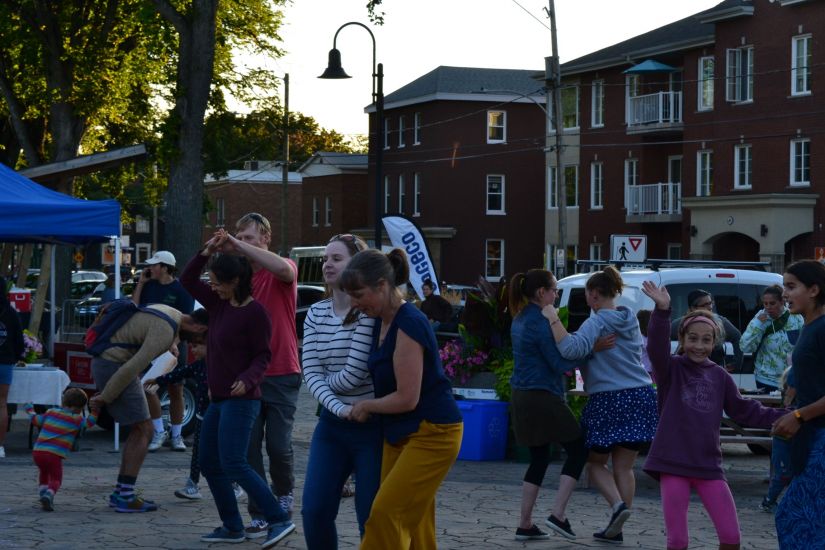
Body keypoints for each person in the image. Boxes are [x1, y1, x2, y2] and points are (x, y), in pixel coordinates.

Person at [640, 280, 787, 550]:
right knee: (678, 541)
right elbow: (655, 350)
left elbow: (745, 410)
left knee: (731, 538)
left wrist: (788, 414)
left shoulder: (719, 375)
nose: (699, 345)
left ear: (715, 342)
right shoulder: (670, 370)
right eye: (692, 339)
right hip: (673, 464)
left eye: (706, 340)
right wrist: (662, 312)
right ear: (682, 340)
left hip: (709, 467)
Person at [340, 248, 463, 549]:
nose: (354, 303)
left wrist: (366, 405)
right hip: (400, 432)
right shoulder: (378, 321)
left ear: (382, 285)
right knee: (417, 523)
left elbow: (408, 398)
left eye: (358, 294)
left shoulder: (409, 322)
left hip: (432, 433)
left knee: (386, 514)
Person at [180, 235, 295, 548]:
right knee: (209, 463)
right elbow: (187, 279)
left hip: (242, 400)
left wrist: (249, 378)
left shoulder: (255, 313)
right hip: (219, 400)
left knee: (234, 463)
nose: (213, 287)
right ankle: (232, 526)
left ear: (235, 281)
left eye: (218, 282)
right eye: (212, 282)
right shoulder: (218, 306)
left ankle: (278, 518)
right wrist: (204, 253)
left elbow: (263, 355)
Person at [542, 266, 658, 544]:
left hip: (609, 398)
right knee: (624, 466)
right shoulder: (628, 318)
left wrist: (553, 319)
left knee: (595, 464)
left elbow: (570, 349)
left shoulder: (596, 323)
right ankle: (616, 530)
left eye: (587, 295)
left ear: (594, 294)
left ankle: (618, 507)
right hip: (641, 394)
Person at [211, 212, 300, 538]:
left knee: (278, 445)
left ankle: (284, 492)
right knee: (248, 448)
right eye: (240, 238)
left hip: (282, 371)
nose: (243, 244)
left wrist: (236, 245)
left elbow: (281, 268)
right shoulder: (240, 281)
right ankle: (260, 512)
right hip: (246, 377)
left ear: (265, 238)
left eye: (249, 238)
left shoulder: (282, 271)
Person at [300, 234, 382, 549]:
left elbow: (353, 375)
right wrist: (339, 408)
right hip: (334, 426)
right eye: (325, 259)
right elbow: (309, 372)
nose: (328, 264)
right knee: (315, 510)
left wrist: (321, 381)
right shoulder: (316, 313)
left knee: (370, 515)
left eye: (336, 258)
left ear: (356, 264)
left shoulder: (367, 313)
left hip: (370, 427)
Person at [508, 269, 589, 541]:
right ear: (541, 292)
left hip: (520, 395)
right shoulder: (541, 322)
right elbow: (559, 363)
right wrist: (591, 349)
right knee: (578, 450)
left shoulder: (518, 318)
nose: (556, 294)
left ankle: (525, 524)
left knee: (540, 457)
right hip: (541, 395)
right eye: (554, 289)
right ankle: (558, 514)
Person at [772, 260, 825, 549]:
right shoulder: (809, 327)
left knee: (794, 516)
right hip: (811, 436)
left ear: (814, 289)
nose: (785, 294)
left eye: (791, 287)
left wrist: (800, 415)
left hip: (821, 437)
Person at [132, 250, 195, 452]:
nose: (149, 268)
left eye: (154, 265)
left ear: (165, 267)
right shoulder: (149, 286)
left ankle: (176, 435)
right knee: (149, 387)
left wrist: (174, 342)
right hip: (151, 345)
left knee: (176, 389)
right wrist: (141, 283)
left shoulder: (181, 289)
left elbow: (185, 321)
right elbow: (134, 307)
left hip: (173, 346)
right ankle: (159, 432)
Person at [145, 340, 209, 500]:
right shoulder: (198, 365)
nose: (192, 350)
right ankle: (192, 485)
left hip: (218, 416)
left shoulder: (221, 365)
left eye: (196, 345)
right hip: (202, 415)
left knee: (220, 453)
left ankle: (234, 484)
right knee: (197, 453)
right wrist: (158, 380)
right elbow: (178, 373)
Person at [24, 388, 99, 511]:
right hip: (53, 454)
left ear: (63, 402)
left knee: (44, 472)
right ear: (78, 408)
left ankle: (43, 493)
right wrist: (95, 410)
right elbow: (90, 423)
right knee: (56, 478)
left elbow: (35, 420)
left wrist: (29, 408)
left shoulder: (51, 412)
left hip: (38, 452)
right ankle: (49, 494)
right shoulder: (76, 419)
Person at [740, 284, 804, 392]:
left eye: (772, 303)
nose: (768, 307)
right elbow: (745, 347)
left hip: (791, 378)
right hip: (765, 379)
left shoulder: (795, 317)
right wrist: (758, 324)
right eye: (765, 304)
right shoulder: (759, 318)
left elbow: (803, 345)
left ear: (782, 301)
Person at [670, 290, 743, 373]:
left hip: (714, 372)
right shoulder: (682, 323)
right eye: (704, 305)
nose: (709, 307)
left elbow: (737, 337)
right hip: (688, 371)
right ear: (692, 308)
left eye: (710, 303)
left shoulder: (720, 322)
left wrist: (737, 363)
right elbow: (662, 336)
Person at [760, 366, 795, 513]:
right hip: (783, 440)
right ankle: (769, 500)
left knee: (789, 473)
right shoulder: (791, 401)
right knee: (783, 473)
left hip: (791, 442)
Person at [0, 276, 25, 459]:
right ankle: (0, 446)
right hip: (5, 363)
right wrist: (15, 357)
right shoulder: (10, 312)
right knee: (2, 405)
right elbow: (19, 341)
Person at [637, 309, 655, 383]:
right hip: (647, 371)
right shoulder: (645, 339)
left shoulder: (639, 336)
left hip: (645, 370)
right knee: (653, 388)